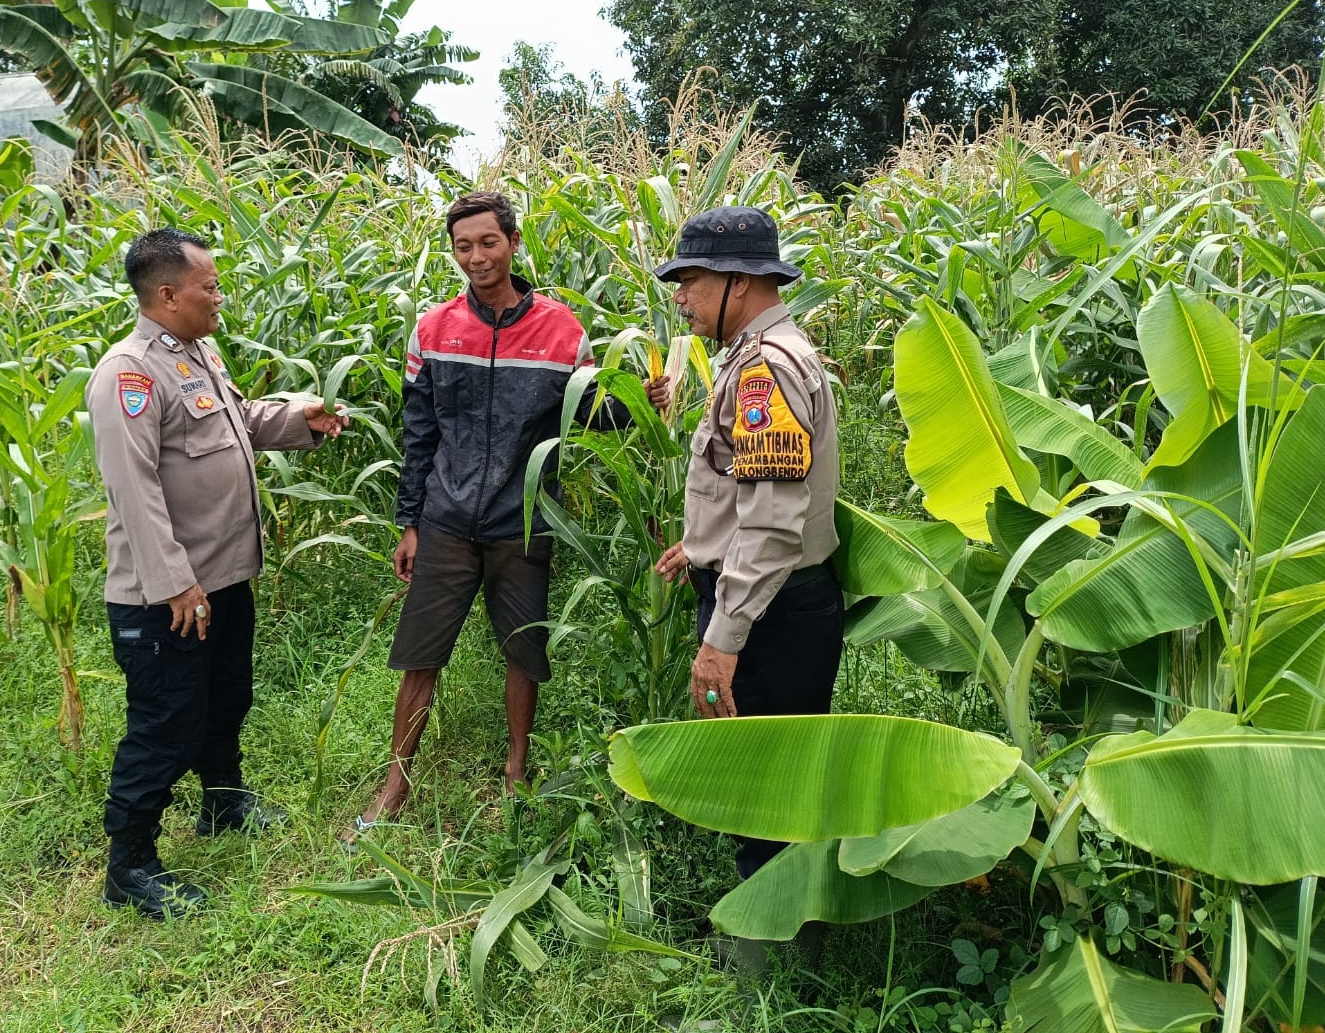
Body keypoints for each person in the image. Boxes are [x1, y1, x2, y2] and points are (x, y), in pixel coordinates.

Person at [85, 226, 349, 919]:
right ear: (168, 294)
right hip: (169, 595)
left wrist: (299, 418)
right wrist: (175, 582)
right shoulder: (129, 373)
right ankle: (129, 865)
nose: (220, 296)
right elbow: (133, 488)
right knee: (167, 721)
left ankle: (223, 803)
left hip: (223, 577)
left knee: (226, 697)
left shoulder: (197, 353)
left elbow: (237, 423)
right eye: (210, 286)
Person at [350, 191, 631, 837]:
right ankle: (395, 785)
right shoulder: (434, 329)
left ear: (513, 242)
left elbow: (589, 412)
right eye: (463, 246)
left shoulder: (562, 330)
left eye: (488, 242)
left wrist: (637, 400)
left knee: (523, 651)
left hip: (521, 520)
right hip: (446, 519)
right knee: (420, 655)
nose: (476, 257)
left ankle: (516, 769)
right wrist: (410, 522)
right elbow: (420, 433)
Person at [648, 205, 843, 881]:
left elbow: (772, 522)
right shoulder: (759, 355)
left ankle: (768, 935)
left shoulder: (765, 370)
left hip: (768, 612)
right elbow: (753, 490)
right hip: (765, 597)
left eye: (691, 281)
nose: (681, 298)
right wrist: (701, 544)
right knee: (766, 778)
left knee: (767, 787)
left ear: (739, 281)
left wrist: (721, 642)